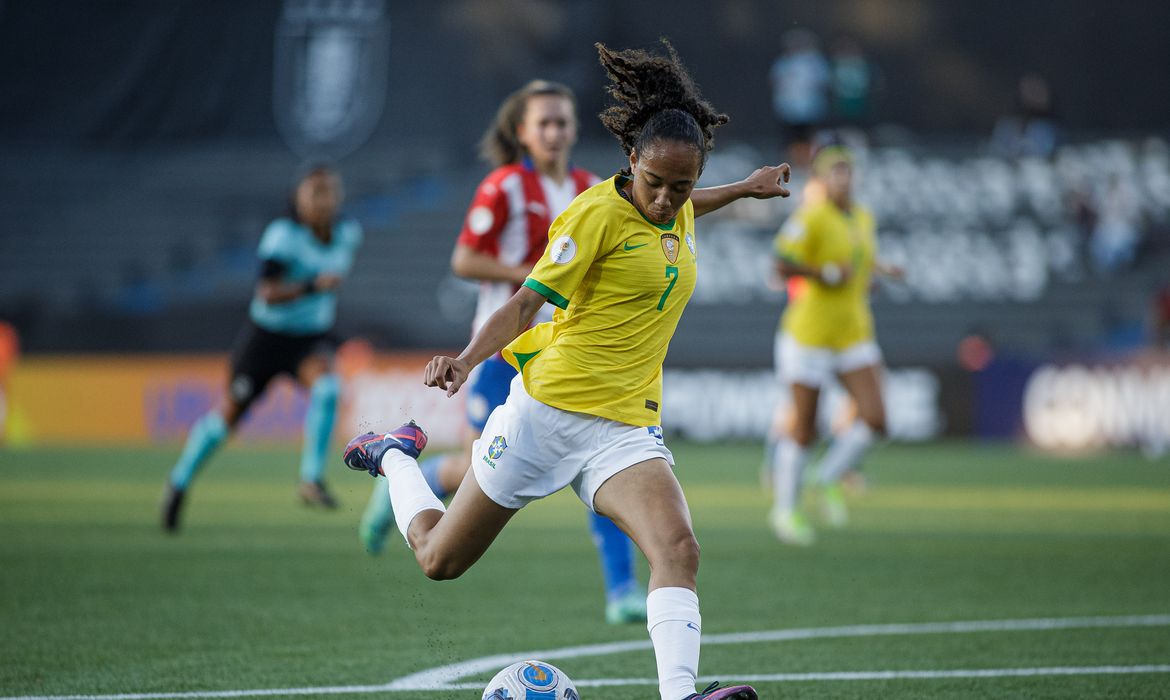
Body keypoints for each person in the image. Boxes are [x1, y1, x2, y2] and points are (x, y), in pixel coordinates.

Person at [343, 40, 790, 700]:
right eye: (655, 183)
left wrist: (746, 190)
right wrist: (466, 362)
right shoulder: (593, 215)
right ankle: (392, 456)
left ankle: (681, 696)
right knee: (439, 559)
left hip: (624, 431)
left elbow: (690, 206)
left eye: (683, 186)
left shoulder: (682, 205)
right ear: (631, 159)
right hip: (543, 418)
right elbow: (525, 302)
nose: (667, 199)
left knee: (678, 549)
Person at [357, 79, 651, 625]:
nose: (556, 132)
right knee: (480, 464)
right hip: (504, 353)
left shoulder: (595, 186)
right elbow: (465, 259)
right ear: (522, 132)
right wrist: (534, 278)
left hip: (570, 354)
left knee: (610, 456)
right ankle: (401, 477)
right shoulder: (504, 187)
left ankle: (622, 589)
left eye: (563, 122)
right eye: (544, 123)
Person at [161, 165, 360, 531]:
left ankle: (310, 480)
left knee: (330, 389)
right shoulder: (283, 236)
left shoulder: (348, 233)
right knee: (226, 420)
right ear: (297, 198)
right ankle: (178, 482)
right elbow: (267, 292)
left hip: (309, 339)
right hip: (266, 339)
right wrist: (312, 287)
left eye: (329, 191)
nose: (323, 200)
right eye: (314, 192)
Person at [769, 136, 900, 546]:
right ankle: (785, 511)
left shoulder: (862, 217)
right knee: (804, 429)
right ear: (822, 178)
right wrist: (823, 274)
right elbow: (780, 263)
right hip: (809, 335)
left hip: (853, 332)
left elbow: (858, 259)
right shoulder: (812, 217)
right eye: (834, 171)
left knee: (877, 419)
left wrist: (877, 273)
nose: (842, 178)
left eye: (847, 170)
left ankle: (826, 477)